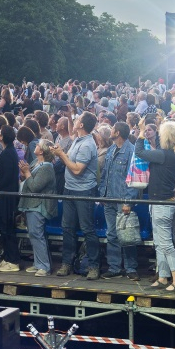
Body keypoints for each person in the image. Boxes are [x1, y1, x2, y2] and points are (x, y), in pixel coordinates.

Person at [136, 121, 175, 292]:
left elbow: (139, 152)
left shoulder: (164, 155)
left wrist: (141, 134)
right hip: (160, 201)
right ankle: (163, 277)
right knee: (159, 242)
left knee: (165, 243)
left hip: (162, 202)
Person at [53, 112, 100, 280]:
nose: (75, 122)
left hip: (83, 191)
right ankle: (67, 263)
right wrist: (70, 114)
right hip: (69, 189)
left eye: (78, 120)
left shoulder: (87, 145)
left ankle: (93, 266)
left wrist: (61, 155)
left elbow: (77, 169)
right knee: (67, 228)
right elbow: (72, 128)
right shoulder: (78, 140)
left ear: (82, 125)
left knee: (87, 229)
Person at [100, 122, 138, 280]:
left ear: (118, 133)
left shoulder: (131, 151)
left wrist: (128, 201)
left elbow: (133, 178)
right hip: (109, 199)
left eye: (113, 129)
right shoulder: (111, 149)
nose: (111, 131)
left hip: (123, 199)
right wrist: (102, 193)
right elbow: (104, 174)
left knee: (126, 234)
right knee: (112, 234)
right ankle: (114, 267)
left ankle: (131, 268)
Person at [19, 134, 57, 277]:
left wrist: (27, 172)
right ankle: (38, 263)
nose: (35, 147)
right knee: (33, 234)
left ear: (42, 151)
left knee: (37, 234)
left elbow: (35, 186)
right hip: (32, 204)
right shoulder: (36, 162)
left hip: (39, 205)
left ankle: (44, 266)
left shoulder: (47, 167)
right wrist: (25, 173)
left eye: (37, 145)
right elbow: (29, 179)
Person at [0, 124, 23, 272]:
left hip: (7, 196)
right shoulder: (8, 152)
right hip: (5, 194)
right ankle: (7, 258)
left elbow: (7, 176)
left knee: (7, 228)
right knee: (3, 228)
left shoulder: (8, 153)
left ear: (2, 136)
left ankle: (13, 260)